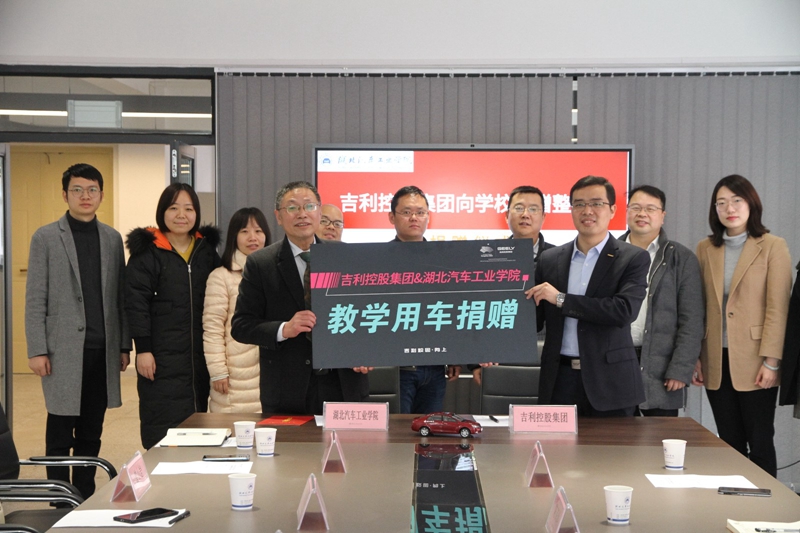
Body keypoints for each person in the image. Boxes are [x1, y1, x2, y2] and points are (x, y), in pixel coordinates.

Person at [25, 163, 131, 499]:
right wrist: (37, 349)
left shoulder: (112, 239)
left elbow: (119, 297)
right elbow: (35, 297)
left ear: (101, 194)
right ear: (65, 195)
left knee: (91, 431)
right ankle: (58, 497)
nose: (85, 196)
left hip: (102, 350)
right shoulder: (45, 237)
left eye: (92, 190)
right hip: (62, 351)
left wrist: (123, 345)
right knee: (60, 431)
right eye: (77, 190)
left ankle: (83, 495)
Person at [231, 181, 368, 414]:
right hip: (288, 389)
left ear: (319, 212)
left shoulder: (346, 257)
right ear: (278, 216)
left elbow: (368, 314)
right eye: (293, 207)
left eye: (309, 206)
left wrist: (366, 352)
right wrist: (284, 329)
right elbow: (241, 326)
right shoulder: (261, 263)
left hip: (345, 382)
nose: (302, 214)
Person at [694, 174, 791, 476]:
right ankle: (734, 498)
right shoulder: (705, 248)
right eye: (721, 203)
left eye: (736, 200)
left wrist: (772, 361)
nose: (729, 208)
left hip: (756, 358)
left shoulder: (772, 246)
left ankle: (766, 501)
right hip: (715, 357)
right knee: (729, 441)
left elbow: (778, 308)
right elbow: (698, 306)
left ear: (751, 204)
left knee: (760, 440)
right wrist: (696, 356)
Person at [529, 176, 649, 417]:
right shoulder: (549, 259)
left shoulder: (632, 258)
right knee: (557, 444)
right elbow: (533, 319)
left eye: (596, 203)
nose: (587, 211)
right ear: (571, 209)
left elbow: (623, 311)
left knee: (612, 443)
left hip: (611, 382)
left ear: (612, 209)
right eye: (579, 204)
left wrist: (562, 299)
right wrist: (492, 348)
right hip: (559, 380)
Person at [125, 183, 221, 448]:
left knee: (199, 421)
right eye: (173, 208)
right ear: (162, 212)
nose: (181, 215)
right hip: (160, 355)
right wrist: (143, 349)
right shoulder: (147, 252)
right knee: (162, 421)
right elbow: (135, 303)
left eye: (188, 209)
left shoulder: (205, 251)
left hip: (200, 354)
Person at [619, 185, 704, 416]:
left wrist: (680, 369)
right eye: (636, 207)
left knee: (658, 436)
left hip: (662, 369)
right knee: (615, 433)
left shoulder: (681, 258)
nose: (642, 214)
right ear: (626, 211)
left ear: (662, 215)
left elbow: (692, 319)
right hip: (616, 361)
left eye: (650, 209)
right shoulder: (609, 253)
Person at [388, 185, 460, 414]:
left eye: (420, 212)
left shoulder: (444, 259)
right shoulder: (378, 259)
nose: (414, 218)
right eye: (406, 212)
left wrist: (456, 354)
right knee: (397, 431)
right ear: (391, 217)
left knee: (429, 429)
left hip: (435, 367)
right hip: (396, 368)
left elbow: (453, 308)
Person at [203, 208, 271, 413]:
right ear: (234, 236)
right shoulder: (220, 276)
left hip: (271, 373)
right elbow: (213, 328)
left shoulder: (275, 273)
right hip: (235, 378)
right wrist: (218, 371)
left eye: (258, 231)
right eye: (244, 231)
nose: (252, 237)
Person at [506, 185, 554, 264]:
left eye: (533, 209)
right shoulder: (493, 255)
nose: (525, 215)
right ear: (507, 216)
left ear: (543, 217)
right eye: (519, 208)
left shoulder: (557, 257)